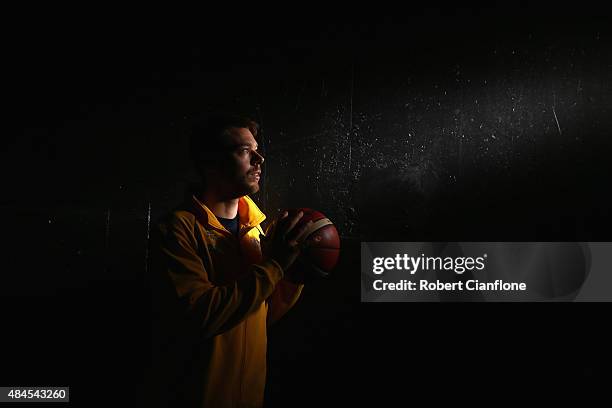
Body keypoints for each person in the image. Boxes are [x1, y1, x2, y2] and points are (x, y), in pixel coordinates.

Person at [150, 113, 319, 408]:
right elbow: (201, 314)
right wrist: (276, 265)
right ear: (210, 162)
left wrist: (294, 274)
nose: (259, 159)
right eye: (244, 151)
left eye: (257, 150)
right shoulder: (177, 229)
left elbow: (260, 317)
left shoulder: (256, 230)